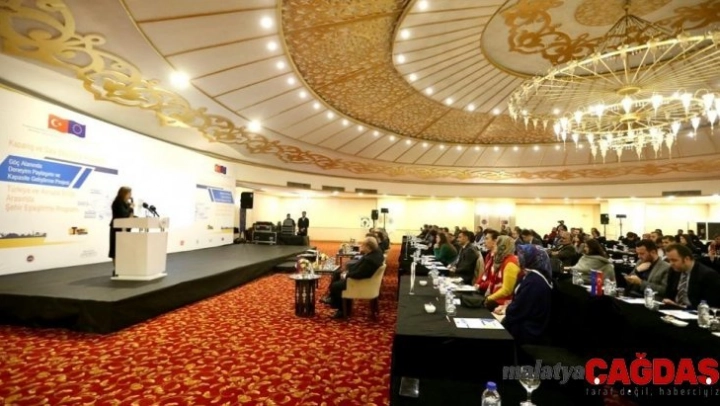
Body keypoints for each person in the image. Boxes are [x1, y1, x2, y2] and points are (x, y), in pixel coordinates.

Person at [497, 244, 553, 345]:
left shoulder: (534, 282)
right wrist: (506, 306)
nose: (517, 258)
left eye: (521, 256)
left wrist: (506, 310)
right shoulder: (529, 276)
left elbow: (519, 309)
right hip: (523, 320)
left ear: (531, 259)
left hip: (529, 329)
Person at [329, 237, 384, 319]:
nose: (361, 246)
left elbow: (359, 274)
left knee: (335, 286)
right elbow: (361, 269)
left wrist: (347, 275)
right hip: (365, 279)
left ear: (368, 247)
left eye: (363, 245)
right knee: (337, 273)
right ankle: (331, 297)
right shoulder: (376, 253)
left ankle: (341, 310)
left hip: (360, 283)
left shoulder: (370, 260)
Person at [662, 243, 720, 309]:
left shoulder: (708, 275)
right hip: (673, 310)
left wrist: (681, 307)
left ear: (687, 259)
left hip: (695, 312)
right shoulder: (674, 271)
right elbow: (668, 294)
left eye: (674, 260)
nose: (671, 263)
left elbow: (711, 304)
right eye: (669, 260)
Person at [109, 186, 134, 276]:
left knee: (124, 249)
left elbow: (130, 215)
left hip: (125, 229)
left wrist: (131, 209)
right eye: (129, 193)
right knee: (115, 249)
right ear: (124, 194)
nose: (130, 195)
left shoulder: (127, 203)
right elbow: (123, 214)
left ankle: (124, 267)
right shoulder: (117, 202)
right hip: (117, 229)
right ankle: (117, 269)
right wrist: (130, 208)